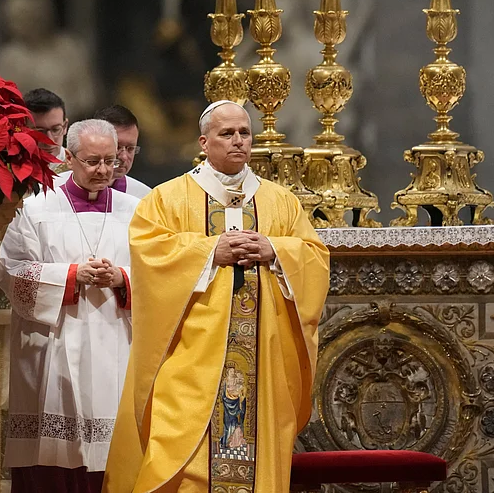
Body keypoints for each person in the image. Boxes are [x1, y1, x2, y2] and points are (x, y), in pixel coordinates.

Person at [102, 100, 330, 493]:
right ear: (204, 143)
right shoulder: (169, 198)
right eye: (227, 134)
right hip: (192, 357)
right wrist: (210, 252)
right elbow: (149, 257)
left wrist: (274, 250)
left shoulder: (280, 201)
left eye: (244, 132)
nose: (238, 141)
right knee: (181, 455)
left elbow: (314, 257)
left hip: (262, 355)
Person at [0, 119, 139, 493]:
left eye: (111, 160)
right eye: (93, 161)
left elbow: (161, 273)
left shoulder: (138, 211)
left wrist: (122, 278)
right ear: (69, 158)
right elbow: (12, 271)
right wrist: (70, 276)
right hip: (54, 344)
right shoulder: (37, 207)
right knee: (56, 460)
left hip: (116, 342)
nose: (104, 170)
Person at [24, 87, 70, 171]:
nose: (49, 140)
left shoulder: (79, 169)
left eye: (55, 129)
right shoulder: (8, 168)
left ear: (65, 127)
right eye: (39, 132)